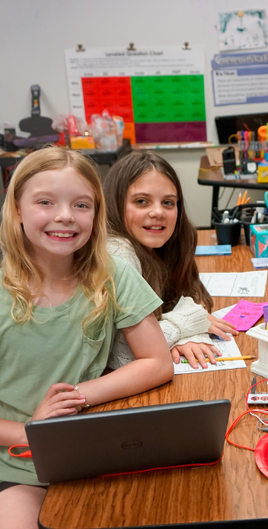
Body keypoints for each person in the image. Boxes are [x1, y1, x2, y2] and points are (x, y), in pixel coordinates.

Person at [0, 147, 175, 529]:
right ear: (17, 210)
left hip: (84, 445)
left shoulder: (112, 274)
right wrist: (27, 433)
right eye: (45, 202)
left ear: (96, 214)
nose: (65, 216)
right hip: (10, 464)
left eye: (81, 205)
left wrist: (80, 394)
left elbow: (157, 362)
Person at [103, 151, 237, 370]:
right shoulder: (119, 252)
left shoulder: (166, 243)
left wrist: (181, 332)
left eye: (168, 202)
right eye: (141, 201)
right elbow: (123, 353)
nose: (158, 212)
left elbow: (186, 298)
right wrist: (191, 322)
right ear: (115, 204)